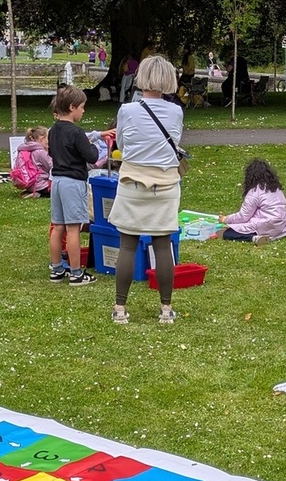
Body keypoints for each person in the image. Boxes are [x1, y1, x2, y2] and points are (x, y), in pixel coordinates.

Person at [109, 56, 186, 324]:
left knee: (127, 246)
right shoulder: (176, 111)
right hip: (165, 184)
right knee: (162, 246)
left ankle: (120, 308)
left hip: (132, 181)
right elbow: (175, 140)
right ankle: (166, 309)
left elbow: (121, 144)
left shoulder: (127, 110)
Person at [47, 87, 109, 285]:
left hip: (57, 181)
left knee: (58, 227)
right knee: (73, 228)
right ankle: (76, 273)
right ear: (72, 107)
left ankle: (56, 268)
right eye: (82, 107)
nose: (83, 111)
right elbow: (91, 156)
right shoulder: (76, 132)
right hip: (73, 182)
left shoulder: (53, 130)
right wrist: (94, 146)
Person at [213, 158, 286, 244]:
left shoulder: (254, 192)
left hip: (266, 224)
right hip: (282, 224)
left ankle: (254, 238)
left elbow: (243, 216)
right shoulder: (277, 188)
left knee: (226, 232)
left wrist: (226, 219)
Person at [12, 125, 52, 197]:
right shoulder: (40, 152)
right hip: (41, 185)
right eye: (47, 138)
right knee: (59, 190)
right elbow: (50, 166)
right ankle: (39, 194)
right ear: (42, 139)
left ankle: (30, 191)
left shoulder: (24, 149)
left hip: (30, 184)